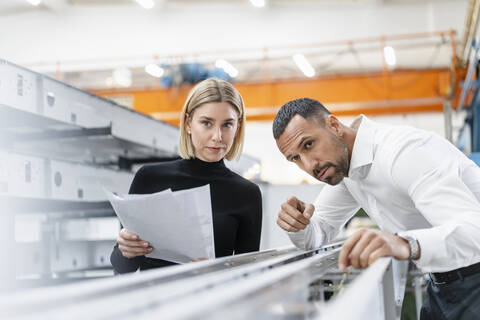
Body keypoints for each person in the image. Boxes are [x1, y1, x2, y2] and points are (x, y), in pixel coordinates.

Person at [273, 97, 480, 319]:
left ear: (334, 125)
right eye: (295, 158)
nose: (309, 165)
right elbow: (317, 233)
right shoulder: (346, 171)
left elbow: (474, 230)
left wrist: (404, 242)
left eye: (309, 144)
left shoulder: (403, 152)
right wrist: (297, 225)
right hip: (443, 281)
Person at [110, 78, 262, 273]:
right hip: (155, 300)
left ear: (237, 128)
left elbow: (248, 275)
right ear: (189, 123)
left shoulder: (247, 194)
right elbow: (121, 268)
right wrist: (126, 250)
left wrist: (215, 271)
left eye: (227, 125)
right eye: (207, 123)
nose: (217, 136)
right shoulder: (149, 178)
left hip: (212, 300)